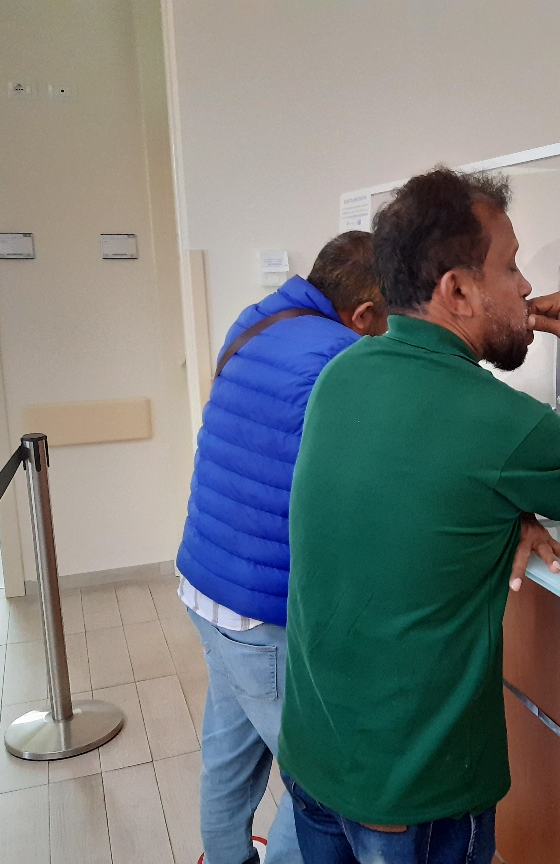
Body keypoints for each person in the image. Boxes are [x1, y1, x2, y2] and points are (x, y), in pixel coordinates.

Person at [277, 167, 560, 864]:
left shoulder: (341, 375)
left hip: (315, 758)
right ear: (457, 291)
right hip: (415, 794)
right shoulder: (504, 422)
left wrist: (499, 511)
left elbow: (402, 495)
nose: (526, 286)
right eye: (511, 266)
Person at [175, 231, 387, 864]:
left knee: (228, 755)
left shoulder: (256, 321)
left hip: (205, 581)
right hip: (261, 613)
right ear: (364, 314)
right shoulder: (340, 361)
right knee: (317, 782)